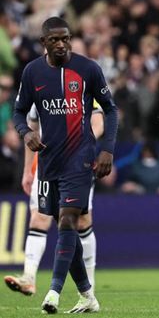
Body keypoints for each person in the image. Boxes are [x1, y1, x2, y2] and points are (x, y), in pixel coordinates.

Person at [12, 17, 118, 314]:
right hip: (48, 162)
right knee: (63, 226)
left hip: (81, 159)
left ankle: (53, 293)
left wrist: (107, 150)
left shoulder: (88, 69)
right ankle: (87, 296)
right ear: (43, 42)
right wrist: (26, 133)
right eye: (55, 40)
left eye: (66, 38)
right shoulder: (32, 72)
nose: (61, 44)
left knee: (69, 220)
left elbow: (110, 109)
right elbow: (19, 113)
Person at [4, 100, 103, 296]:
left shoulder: (80, 81)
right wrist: (27, 170)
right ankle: (28, 278)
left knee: (82, 222)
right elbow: (32, 132)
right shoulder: (37, 89)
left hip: (77, 164)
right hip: (46, 166)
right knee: (38, 217)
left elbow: (99, 123)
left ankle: (88, 284)